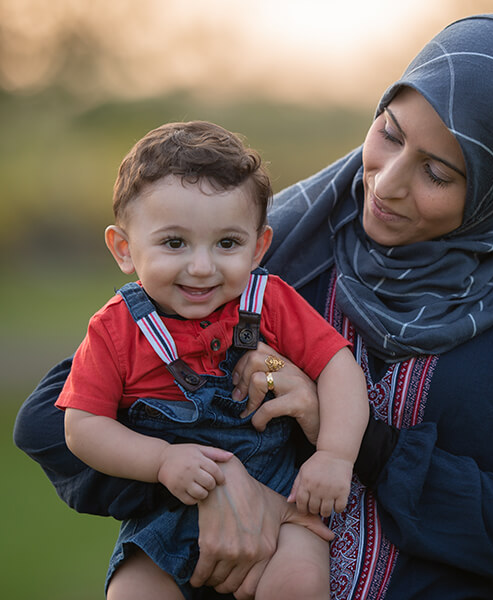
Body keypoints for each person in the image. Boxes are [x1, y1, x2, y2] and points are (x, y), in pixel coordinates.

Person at [14, 13, 493, 600]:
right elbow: (49, 421)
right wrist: (219, 487)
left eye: (436, 173)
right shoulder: (270, 246)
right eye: (390, 134)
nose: (389, 183)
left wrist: (356, 439)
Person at [53, 120, 369, 600]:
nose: (202, 267)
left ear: (259, 246)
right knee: (131, 592)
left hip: (282, 502)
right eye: (174, 243)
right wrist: (160, 459)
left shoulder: (268, 302)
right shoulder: (117, 329)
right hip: (168, 512)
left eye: (227, 244)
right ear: (124, 249)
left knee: (299, 582)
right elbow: (82, 425)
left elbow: (339, 369)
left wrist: (335, 455)